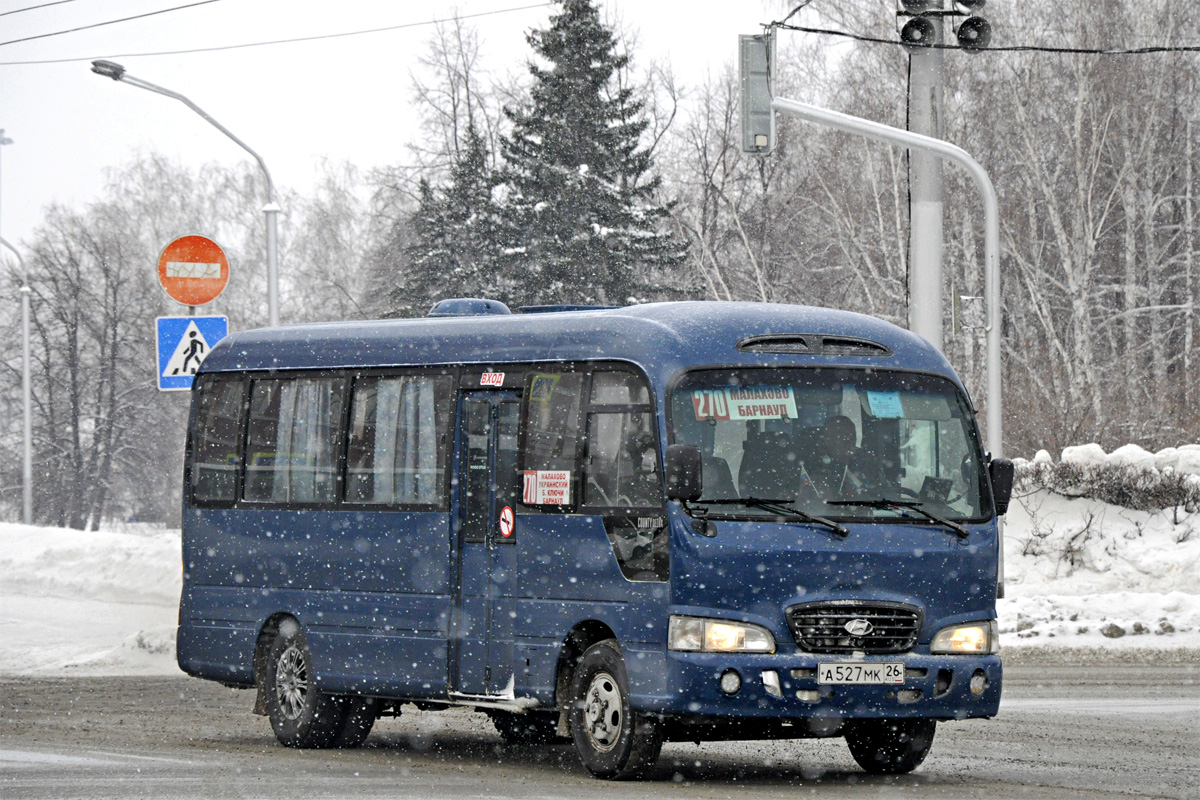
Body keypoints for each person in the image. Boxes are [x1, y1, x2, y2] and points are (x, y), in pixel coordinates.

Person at [811, 415, 885, 498]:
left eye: (852, 435)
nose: (849, 439)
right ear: (826, 440)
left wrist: (848, 462)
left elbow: (877, 493)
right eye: (842, 435)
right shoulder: (815, 462)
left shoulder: (866, 460)